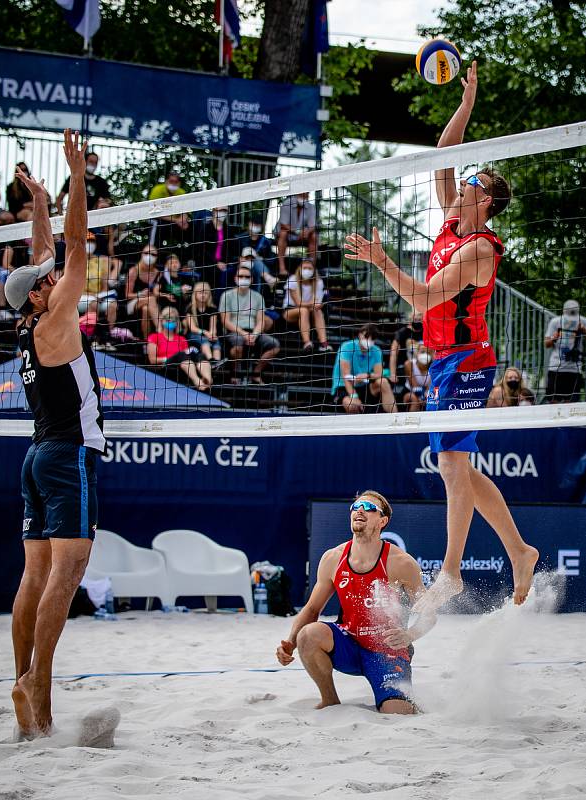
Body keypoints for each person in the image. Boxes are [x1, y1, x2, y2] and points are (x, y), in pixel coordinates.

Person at [345, 61, 539, 612]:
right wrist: (467, 102)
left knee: (453, 464)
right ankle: (520, 551)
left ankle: (450, 571)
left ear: (483, 203)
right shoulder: (452, 225)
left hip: (468, 359)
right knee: (462, 465)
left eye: (470, 185)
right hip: (445, 358)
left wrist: (383, 262)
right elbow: (443, 152)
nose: (458, 187)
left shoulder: (478, 247)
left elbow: (426, 298)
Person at [3, 130, 107, 738]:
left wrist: (40, 199)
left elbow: (45, 253)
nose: (52, 279)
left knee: (33, 578)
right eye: (44, 281)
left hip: (37, 455)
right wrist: (75, 178)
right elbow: (72, 246)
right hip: (69, 457)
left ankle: (20, 676)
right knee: (65, 578)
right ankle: (40, 685)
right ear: (40, 296)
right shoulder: (58, 317)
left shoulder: (30, 324)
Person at [276, 491, 436, 713]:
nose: (360, 510)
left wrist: (410, 635)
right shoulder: (333, 558)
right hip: (349, 643)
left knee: (397, 714)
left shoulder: (400, 563)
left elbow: (429, 614)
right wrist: (290, 643)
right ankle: (330, 701)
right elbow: (312, 609)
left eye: (369, 507)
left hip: (386, 651)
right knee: (308, 635)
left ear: (382, 521)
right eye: (356, 506)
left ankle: (402, 699)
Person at [219, 263, 280, 384]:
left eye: (247, 277)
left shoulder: (258, 297)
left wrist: (255, 334)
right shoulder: (227, 295)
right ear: (235, 278)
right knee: (237, 345)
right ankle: (235, 375)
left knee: (275, 345)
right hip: (234, 331)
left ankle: (256, 374)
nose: (243, 279)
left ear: (252, 279)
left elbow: (261, 320)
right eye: (240, 276)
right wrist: (243, 334)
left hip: (253, 332)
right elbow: (225, 321)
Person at [331, 324, 396, 413]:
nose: (369, 340)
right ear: (359, 335)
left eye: (372, 339)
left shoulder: (376, 350)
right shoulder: (346, 347)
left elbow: (379, 375)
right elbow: (346, 377)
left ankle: (395, 418)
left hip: (364, 386)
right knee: (352, 405)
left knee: (383, 382)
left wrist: (368, 375)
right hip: (343, 387)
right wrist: (354, 397)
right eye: (366, 337)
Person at [147, 305, 212, 390]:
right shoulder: (154, 337)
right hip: (166, 366)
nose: (171, 321)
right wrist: (167, 358)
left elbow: (187, 356)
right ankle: (198, 382)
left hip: (182, 367)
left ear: (177, 322)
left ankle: (208, 379)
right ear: (162, 321)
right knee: (181, 355)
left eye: (174, 319)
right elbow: (152, 360)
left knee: (199, 355)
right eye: (168, 318)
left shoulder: (181, 339)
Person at [78, 232, 120, 346]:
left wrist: (102, 294)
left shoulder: (101, 261)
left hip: (98, 296)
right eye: (87, 242)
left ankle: (108, 336)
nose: (90, 244)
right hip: (80, 296)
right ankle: (90, 336)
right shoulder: (76, 261)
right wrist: (93, 295)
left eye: (92, 242)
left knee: (112, 304)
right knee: (93, 303)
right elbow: (76, 287)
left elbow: (105, 285)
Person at [282, 259, 331, 352]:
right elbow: (298, 303)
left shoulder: (319, 282)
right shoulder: (292, 280)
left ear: (314, 270)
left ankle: (324, 344)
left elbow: (316, 303)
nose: (307, 270)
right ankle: (307, 342)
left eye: (309, 268)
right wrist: (314, 304)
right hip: (290, 311)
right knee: (303, 310)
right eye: (305, 268)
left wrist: (317, 305)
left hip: (310, 313)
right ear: (299, 269)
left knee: (318, 311)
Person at [544, 299, 586, 403]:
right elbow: (546, 344)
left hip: (574, 368)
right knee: (553, 400)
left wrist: (584, 331)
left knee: (571, 402)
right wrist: (554, 338)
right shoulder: (555, 321)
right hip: (556, 367)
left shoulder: (583, 321)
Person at [125, 244, 162, 340]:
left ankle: (147, 341)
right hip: (132, 303)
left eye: (153, 254)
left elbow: (157, 293)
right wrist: (140, 294)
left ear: (157, 257)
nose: (149, 256)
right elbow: (127, 295)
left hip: (151, 304)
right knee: (150, 299)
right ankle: (161, 330)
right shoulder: (134, 271)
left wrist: (153, 293)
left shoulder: (158, 273)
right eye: (146, 253)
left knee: (146, 309)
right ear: (141, 254)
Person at [276, 193, 318, 276]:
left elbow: (312, 226)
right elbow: (283, 224)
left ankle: (312, 267)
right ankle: (282, 268)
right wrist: (298, 231)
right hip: (287, 233)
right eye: (302, 195)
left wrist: (307, 232)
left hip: (302, 236)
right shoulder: (287, 203)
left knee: (314, 236)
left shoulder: (311, 207)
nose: (304, 197)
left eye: (306, 195)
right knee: (283, 233)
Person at [389, 311, 424, 407]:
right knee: (414, 398)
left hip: (423, 369)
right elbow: (393, 353)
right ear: (411, 320)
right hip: (405, 369)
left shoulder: (426, 331)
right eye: (415, 319)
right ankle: (418, 394)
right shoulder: (402, 333)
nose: (417, 321)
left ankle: (424, 394)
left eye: (420, 320)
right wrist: (392, 373)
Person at [184, 281, 222, 362]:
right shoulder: (190, 308)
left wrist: (212, 335)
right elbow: (192, 328)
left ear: (209, 295)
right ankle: (211, 360)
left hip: (208, 333)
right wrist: (205, 333)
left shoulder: (213, 309)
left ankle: (218, 363)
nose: (203, 295)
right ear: (195, 294)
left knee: (216, 342)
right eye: (200, 293)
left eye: (205, 293)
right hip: (194, 334)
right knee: (204, 340)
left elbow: (213, 327)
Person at [403, 342, 433, 411]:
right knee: (414, 399)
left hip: (427, 393)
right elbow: (415, 387)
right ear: (417, 353)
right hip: (409, 391)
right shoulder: (409, 364)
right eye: (422, 352)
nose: (425, 355)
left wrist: (426, 396)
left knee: (433, 399)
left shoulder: (434, 367)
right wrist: (421, 396)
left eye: (428, 352)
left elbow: (430, 387)